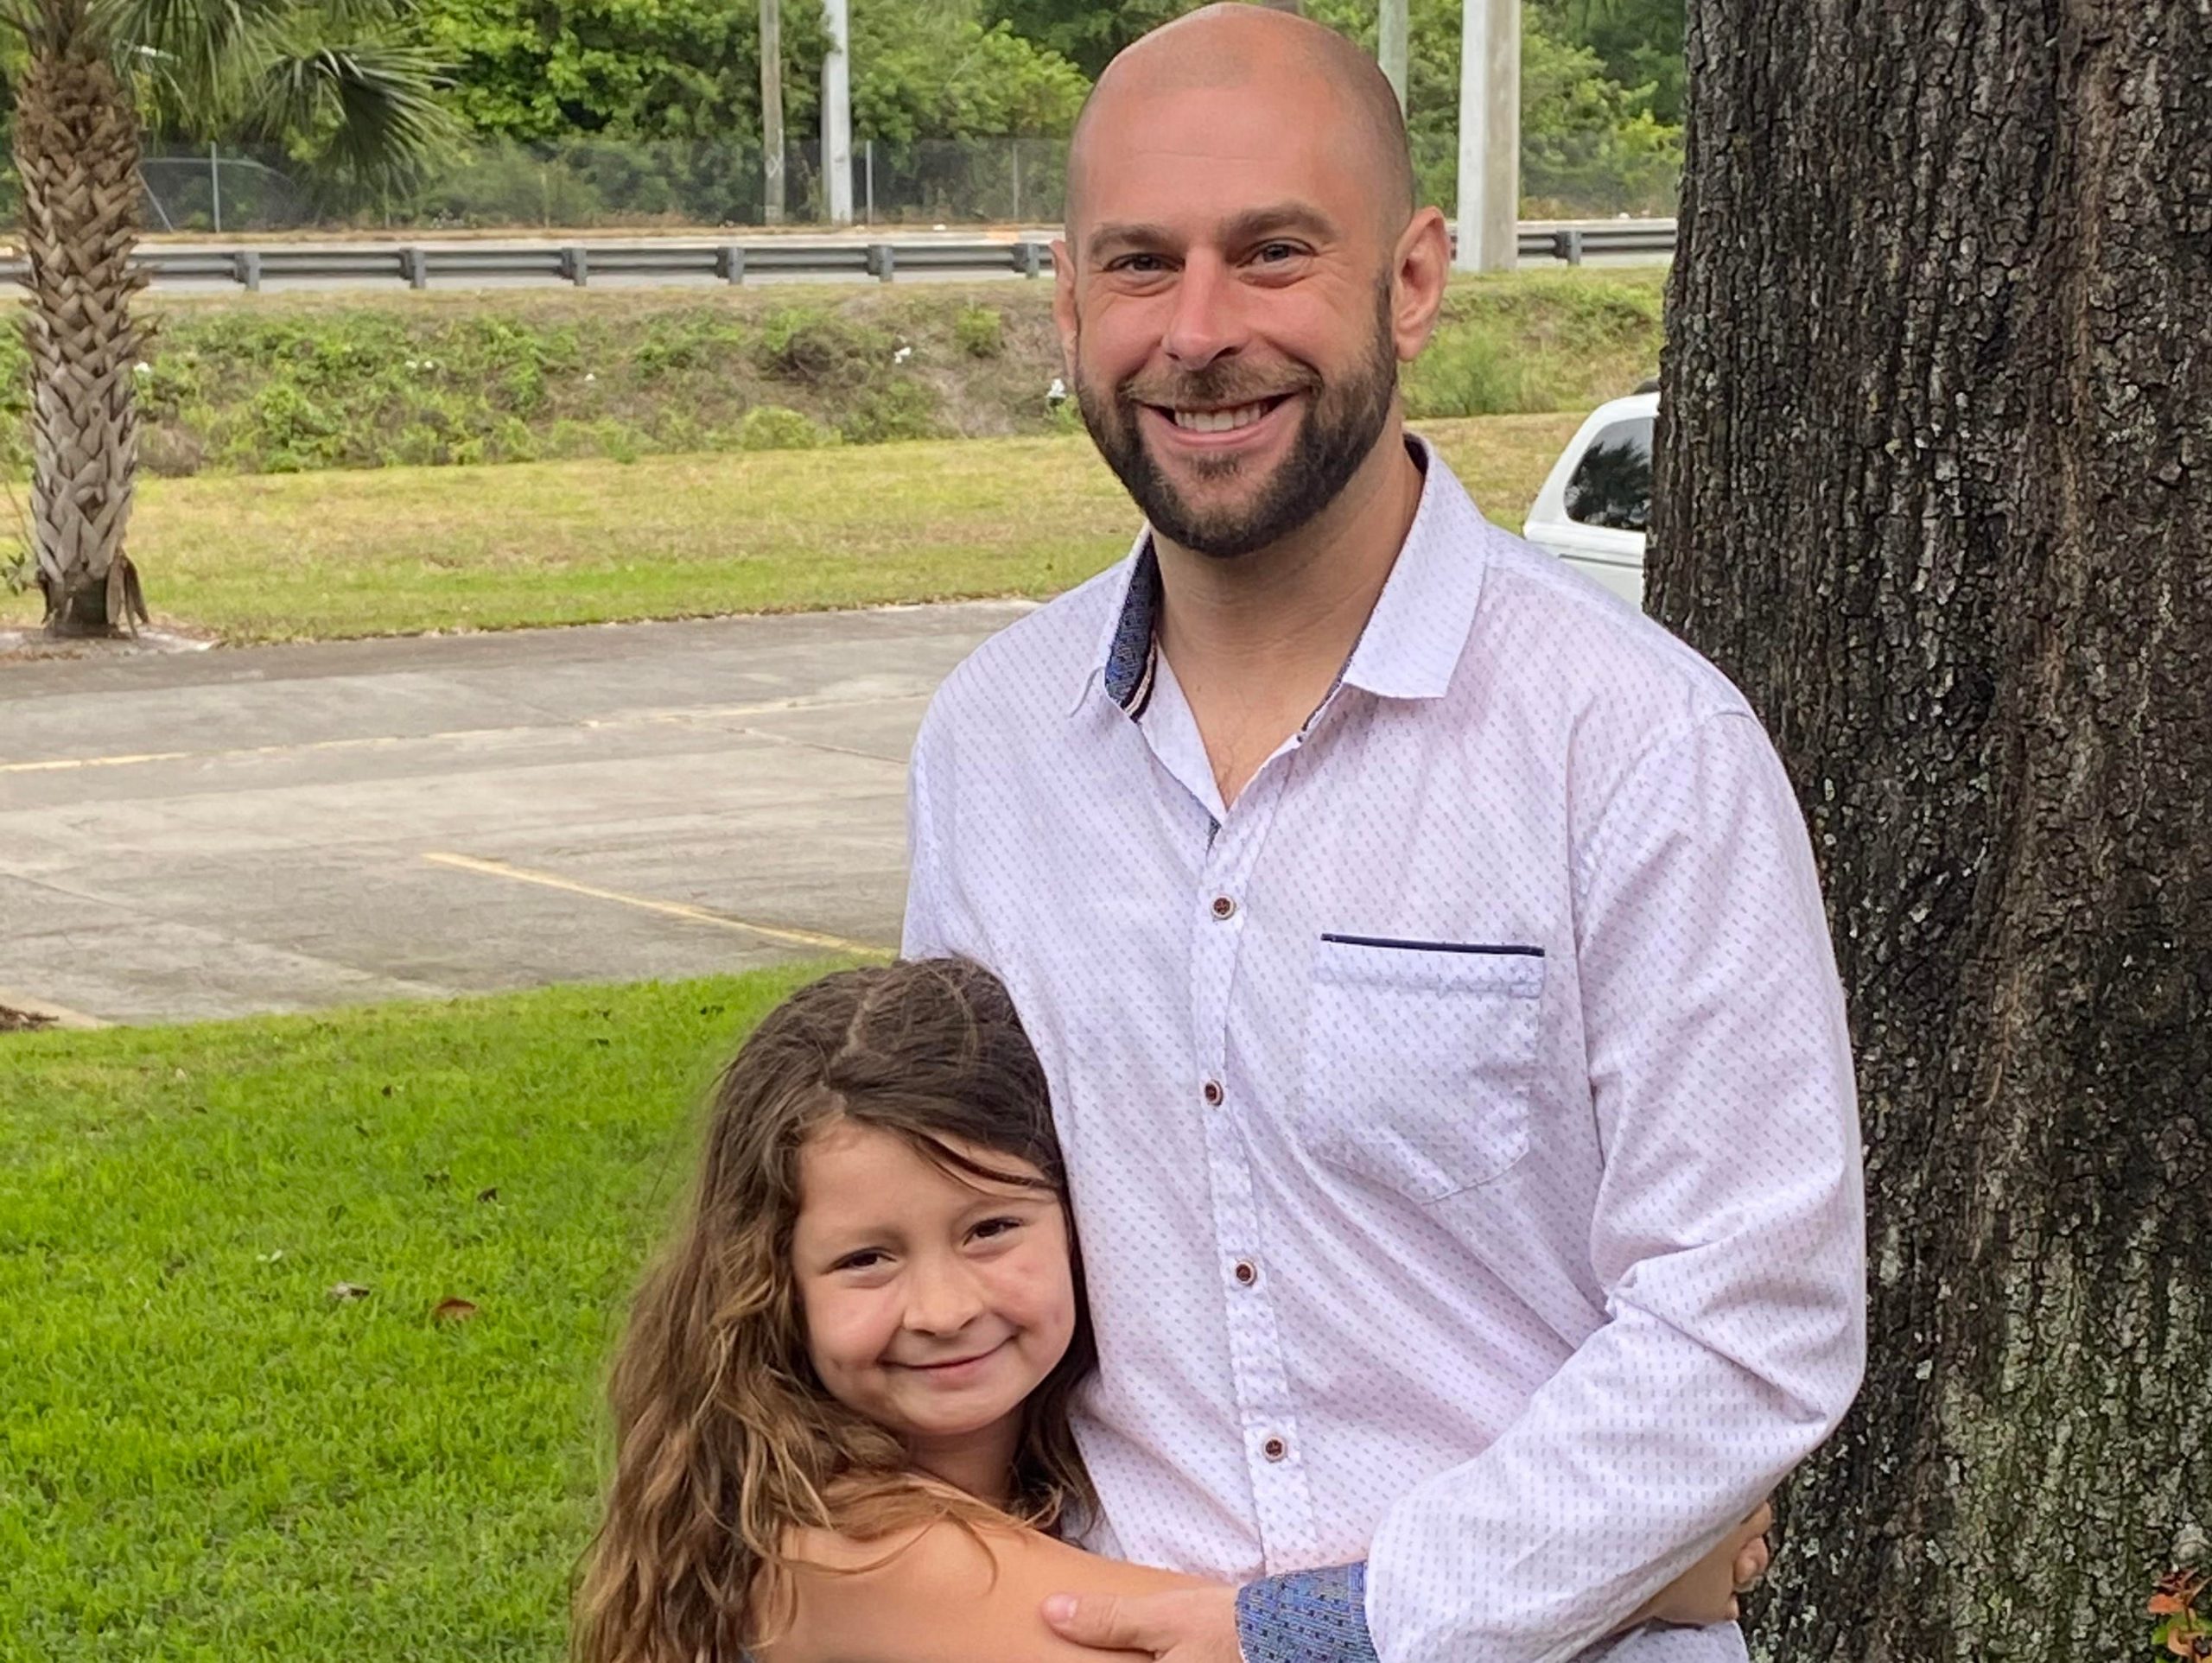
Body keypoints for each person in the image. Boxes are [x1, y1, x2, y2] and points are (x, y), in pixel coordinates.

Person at [899, 8, 1866, 1663]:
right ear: (1066, 296)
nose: (1198, 333)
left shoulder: (1634, 745)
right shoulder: (992, 748)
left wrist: (1325, 1631)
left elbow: (1750, 1322)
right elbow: (936, 1239)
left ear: (1410, 280)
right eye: (1140, 266)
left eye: (1273, 252)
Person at [575, 958, 1768, 1663]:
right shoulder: (839, 1540)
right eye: (866, 1259)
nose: (941, 1305)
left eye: (990, 1227)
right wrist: (1625, 1565)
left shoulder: (1048, 1476)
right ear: (767, 1281)